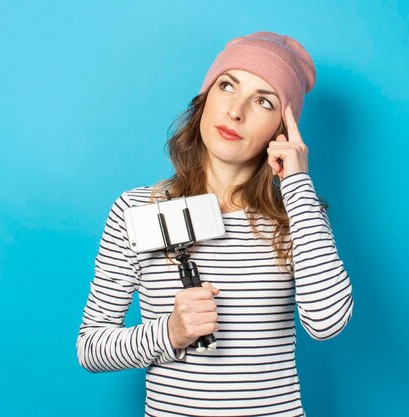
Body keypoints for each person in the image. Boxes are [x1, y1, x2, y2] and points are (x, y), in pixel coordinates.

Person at [76, 31, 354, 417]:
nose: (235, 111)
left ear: (282, 130)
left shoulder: (297, 215)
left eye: (263, 101)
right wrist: (170, 332)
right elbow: (91, 347)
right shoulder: (137, 209)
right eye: (227, 85)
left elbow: (327, 322)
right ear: (205, 97)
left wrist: (297, 185)